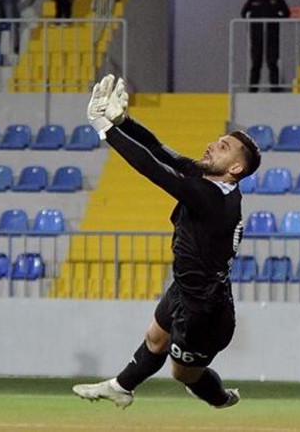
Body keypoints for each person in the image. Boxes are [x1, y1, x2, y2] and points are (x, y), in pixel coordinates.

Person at [72, 75, 261, 410]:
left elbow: (153, 169)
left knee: (184, 374)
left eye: (222, 146)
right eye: (216, 140)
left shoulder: (212, 199)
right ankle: (121, 387)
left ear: (234, 167)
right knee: (155, 337)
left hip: (204, 311)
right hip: (189, 290)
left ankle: (220, 398)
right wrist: (124, 121)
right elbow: (163, 152)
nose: (212, 146)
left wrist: (105, 129)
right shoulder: (213, 184)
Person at [240, 0, 290, 92]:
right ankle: (252, 90)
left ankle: (275, 89)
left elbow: (286, 13)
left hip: (272, 35)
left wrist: (276, 19)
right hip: (257, 35)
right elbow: (243, 13)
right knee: (256, 63)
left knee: (272, 62)